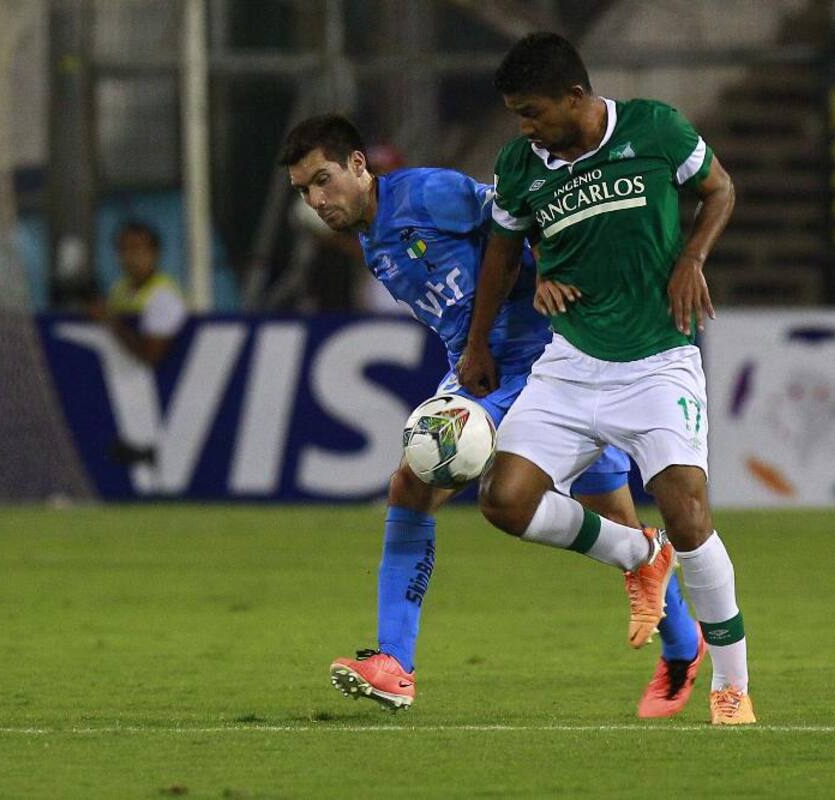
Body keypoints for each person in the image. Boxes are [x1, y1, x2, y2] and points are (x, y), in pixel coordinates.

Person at [278, 114, 706, 717]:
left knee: (414, 484)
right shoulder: (372, 238)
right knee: (612, 521)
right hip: (484, 364)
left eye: (323, 180)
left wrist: (549, 274)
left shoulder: (426, 193)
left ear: (358, 164)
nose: (317, 200)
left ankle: (396, 662)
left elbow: (519, 218)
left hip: (537, 354)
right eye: (304, 191)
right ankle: (683, 645)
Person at [458, 33, 755, 725]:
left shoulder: (654, 128)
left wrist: (692, 258)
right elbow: (502, 255)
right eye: (517, 116)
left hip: (657, 361)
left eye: (532, 113)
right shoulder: (521, 166)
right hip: (570, 364)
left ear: (574, 97)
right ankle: (635, 551)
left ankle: (731, 687)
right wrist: (479, 341)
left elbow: (720, 190)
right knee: (503, 501)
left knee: (688, 516)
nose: (525, 128)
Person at [91, 221, 187, 367]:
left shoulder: (164, 295)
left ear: (154, 253)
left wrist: (110, 322)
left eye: (136, 249)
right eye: (123, 249)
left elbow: (152, 355)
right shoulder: (118, 290)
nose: (129, 256)